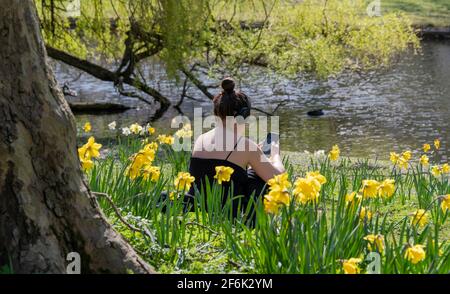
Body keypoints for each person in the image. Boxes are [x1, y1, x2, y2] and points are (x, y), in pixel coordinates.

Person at [186, 77, 285, 219]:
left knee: (252, 173)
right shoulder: (244, 145)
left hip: (200, 207)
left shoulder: (200, 139)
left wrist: (251, 157)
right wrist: (275, 153)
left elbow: (216, 171)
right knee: (260, 181)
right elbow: (278, 178)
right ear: (243, 115)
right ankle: (255, 223)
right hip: (229, 214)